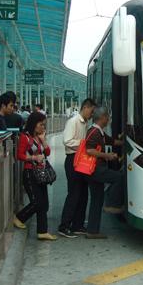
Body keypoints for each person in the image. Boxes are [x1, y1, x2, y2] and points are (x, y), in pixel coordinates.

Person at [13, 112, 57, 241]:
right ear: (34, 124)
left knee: (44, 204)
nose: (43, 127)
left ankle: (42, 231)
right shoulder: (25, 137)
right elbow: (20, 155)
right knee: (37, 202)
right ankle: (19, 217)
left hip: (41, 173)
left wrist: (43, 141)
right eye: (40, 125)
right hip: (30, 172)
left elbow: (47, 152)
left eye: (44, 125)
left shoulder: (40, 137)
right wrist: (33, 157)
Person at [83, 107, 125, 239]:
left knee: (97, 200)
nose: (109, 119)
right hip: (96, 169)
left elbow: (113, 141)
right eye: (108, 117)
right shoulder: (94, 132)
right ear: (102, 118)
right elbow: (89, 150)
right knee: (119, 177)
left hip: (95, 169)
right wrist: (107, 156)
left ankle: (92, 231)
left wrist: (127, 140)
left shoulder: (99, 132)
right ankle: (112, 204)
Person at [58, 98, 97, 238]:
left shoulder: (85, 123)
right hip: (72, 159)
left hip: (81, 161)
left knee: (83, 194)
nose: (92, 115)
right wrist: (84, 144)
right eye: (91, 111)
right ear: (85, 107)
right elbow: (67, 141)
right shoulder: (74, 121)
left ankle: (77, 225)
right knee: (74, 194)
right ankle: (64, 226)